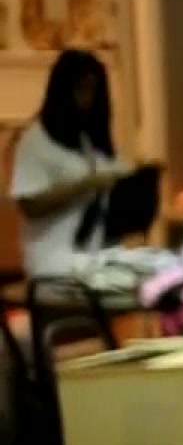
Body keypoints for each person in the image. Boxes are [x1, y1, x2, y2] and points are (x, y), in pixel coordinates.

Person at [9, 48, 145, 279]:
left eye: (93, 91)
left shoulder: (88, 139)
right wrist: (85, 185)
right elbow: (30, 206)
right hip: (54, 263)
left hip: (95, 256)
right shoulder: (35, 141)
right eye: (82, 89)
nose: (88, 99)